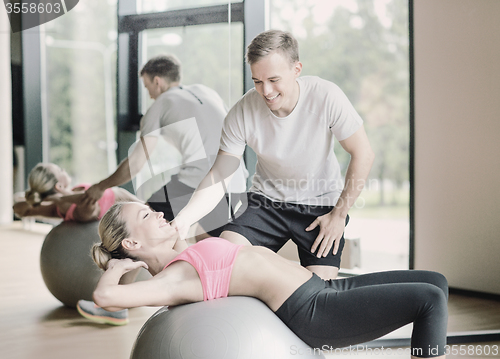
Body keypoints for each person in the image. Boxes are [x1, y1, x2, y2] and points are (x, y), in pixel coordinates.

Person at [89, 201, 448, 358]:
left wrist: (153, 240)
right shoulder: (175, 278)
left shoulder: (182, 251)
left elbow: (186, 220)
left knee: (436, 281)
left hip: (320, 288)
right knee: (428, 300)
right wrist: (118, 268)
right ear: (132, 242)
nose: (161, 214)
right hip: (314, 312)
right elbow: (104, 298)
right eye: (148, 215)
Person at [172, 30, 375, 280]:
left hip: (320, 206)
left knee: (320, 297)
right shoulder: (243, 112)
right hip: (265, 202)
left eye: (273, 79)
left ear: (297, 69)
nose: (266, 91)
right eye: (257, 81)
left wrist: (339, 215)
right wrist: (184, 219)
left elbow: (363, 153)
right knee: (223, 261)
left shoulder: (326, 96)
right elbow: (219, 175)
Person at [81, 54, 247, 240]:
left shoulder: (159, 105)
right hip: (236, 180)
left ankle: (122, 268)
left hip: (200, 178)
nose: (150, 94)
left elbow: (135, 164)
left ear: (157, 82)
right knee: (208, 244)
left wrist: (100, 187)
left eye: (147, 87)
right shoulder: (207, 91)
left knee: (144, 226)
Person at [13, 163, 139, 222]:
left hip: (134, 203)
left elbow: (20, 207)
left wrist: (49, 198)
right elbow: (86, 198)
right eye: (59, 170)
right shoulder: (82, 208)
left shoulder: (57, 206)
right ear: (59, 186)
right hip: (135, 211)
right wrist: (57, 198)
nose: (63, 169)